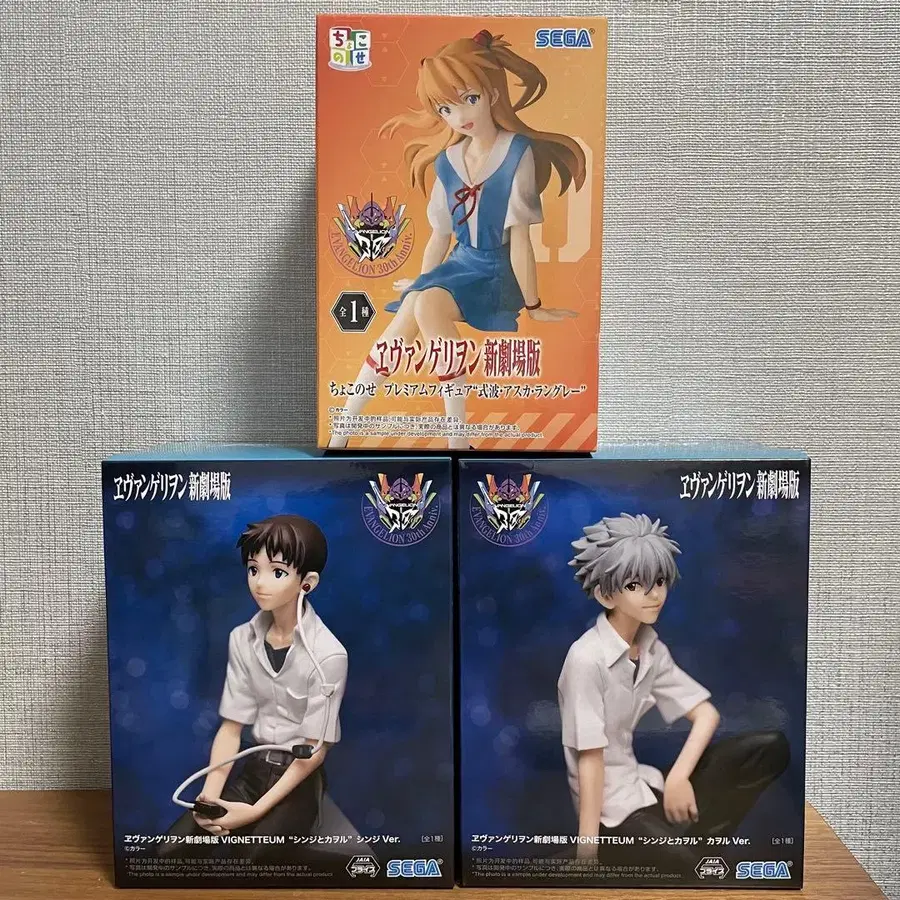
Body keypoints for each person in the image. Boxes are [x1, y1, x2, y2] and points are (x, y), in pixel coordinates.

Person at [329, 30, 585, 450]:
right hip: (460, 264)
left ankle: (455, 438)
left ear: (492, 93)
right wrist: (422, 279)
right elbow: (440, 236)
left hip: (498, 272)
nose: (459, 115)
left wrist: (533, 304)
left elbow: (521, 240)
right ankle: (342, 430)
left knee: (425, 304)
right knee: (414, 303)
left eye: (469, 99)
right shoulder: (447, 161)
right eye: (446, 108)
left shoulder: (517, 152)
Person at [560, 513, 789, 871]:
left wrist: (679, 777)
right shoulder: (586, 659)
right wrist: (587, 853)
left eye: (660, 581)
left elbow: (706, 714)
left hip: (644, 783)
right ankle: (690, 853)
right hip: (609, 814)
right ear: (606, 594)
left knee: (768, 748)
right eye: (635, 585)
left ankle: (699, 844)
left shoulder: (650, 647)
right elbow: (589, 758)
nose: (654, 594)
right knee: (688, 869)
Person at [161, 514, 348, 861]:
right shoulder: (242, 639)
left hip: (297, 783)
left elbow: (315, 749)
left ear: (307, 583)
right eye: (253, 569)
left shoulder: (329, 654)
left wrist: (254, 812)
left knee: (250, 860)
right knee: (169, 850)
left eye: (277, 572)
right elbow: (231, 728)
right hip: (252, 772)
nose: (260, 583)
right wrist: (209, 798)